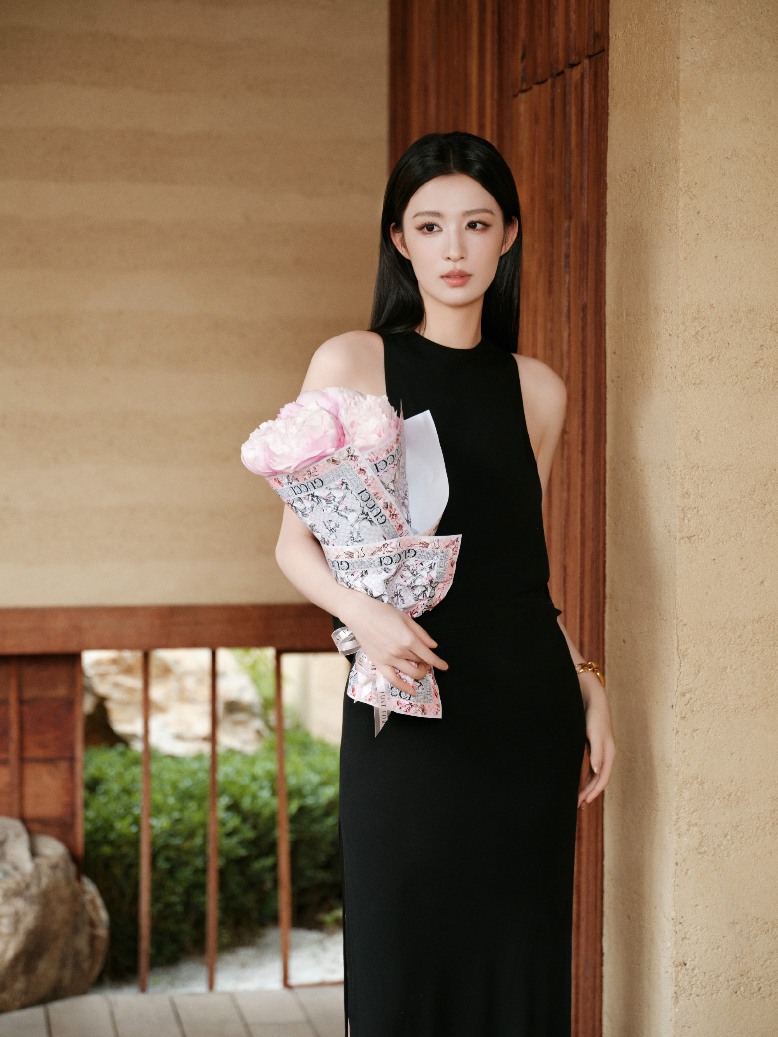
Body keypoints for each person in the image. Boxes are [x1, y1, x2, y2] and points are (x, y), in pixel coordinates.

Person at [275, 131, 616, 1037]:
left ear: (509, 235)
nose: (454, 248)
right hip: (405, 704)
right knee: (403, 971)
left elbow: (520, 572)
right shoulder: (351, 362)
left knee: (516, 976)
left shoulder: (539, 390)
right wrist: (365, 615)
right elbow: (294, 547)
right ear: (400, 240)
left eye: (476, 223)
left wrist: (587, 679)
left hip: (526, 717)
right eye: (430, 226)